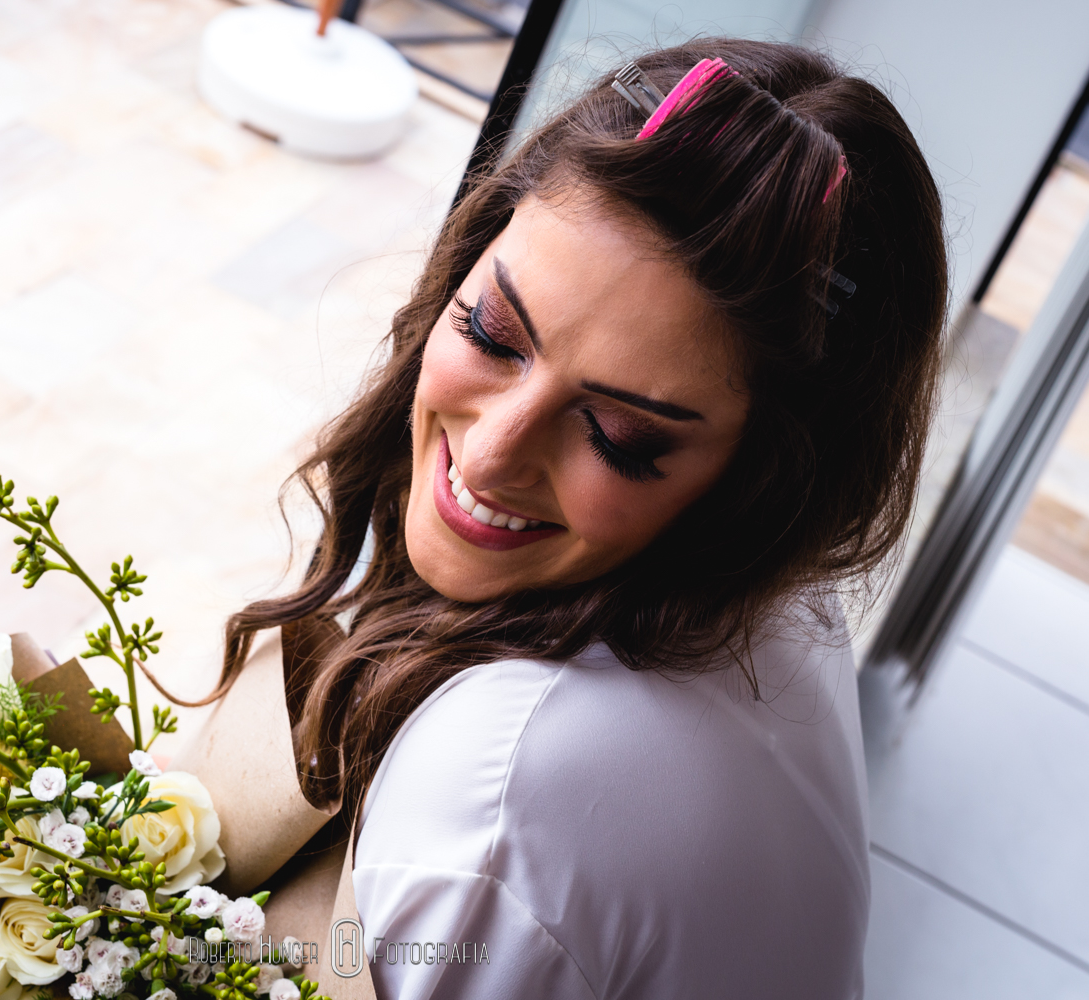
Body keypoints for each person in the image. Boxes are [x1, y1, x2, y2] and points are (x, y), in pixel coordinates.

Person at [210, 38, 946, 999]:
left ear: (762, 487)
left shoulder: (501, 805)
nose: (488, 453)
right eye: (491, 332)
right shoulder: (782, 610)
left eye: (619, 436)